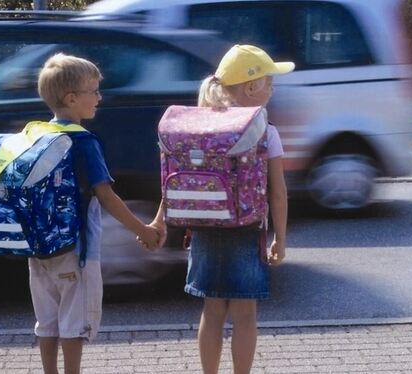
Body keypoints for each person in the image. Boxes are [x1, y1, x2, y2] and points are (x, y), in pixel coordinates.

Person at [147, 44, 290, 374]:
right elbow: (278, 194)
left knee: (212, 312)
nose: (272, 89)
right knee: (244, 314)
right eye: (270, 82)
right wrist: (279, 239)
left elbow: (175, 182)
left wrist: (159, 221)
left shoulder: (195, 130)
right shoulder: (266, 132)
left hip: (204, 227)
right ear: (251, 86)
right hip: (245, 228)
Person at [29, 53, 160, 374]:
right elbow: (106, 195)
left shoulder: (35, 135)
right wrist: (141, 229)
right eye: (94, 91)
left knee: (47, 321)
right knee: (75, 321)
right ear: (72, 98)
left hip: (38, 247)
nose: (99, 98)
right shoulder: (84, 142)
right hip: (77, 250)